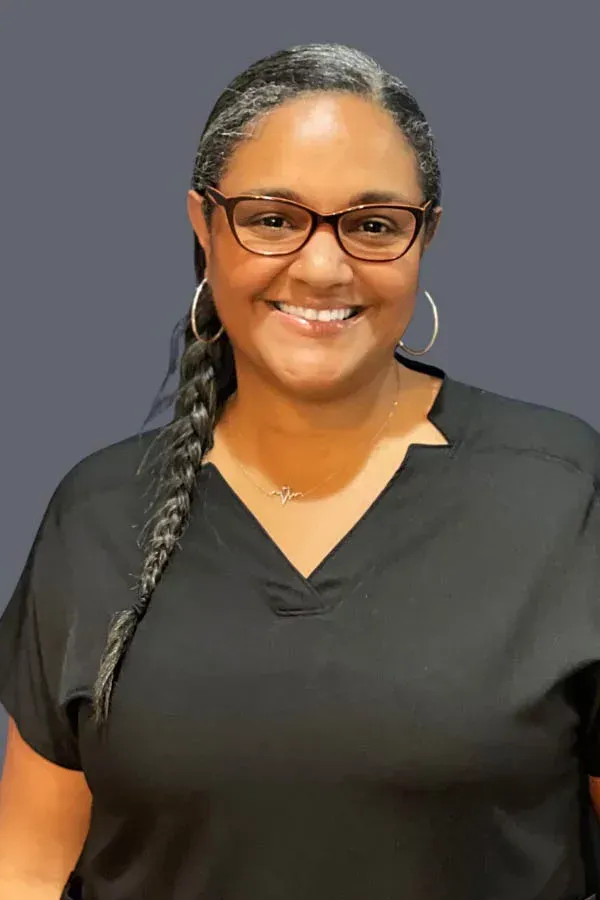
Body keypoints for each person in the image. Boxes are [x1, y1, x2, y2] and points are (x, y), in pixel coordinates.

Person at [0, 41, 599, 900]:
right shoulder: (96, 512)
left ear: (424, 237)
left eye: (373, 224)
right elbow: (27, 862)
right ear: (204, 226)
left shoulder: (565, 494)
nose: (323, 266)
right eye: (273, 217)